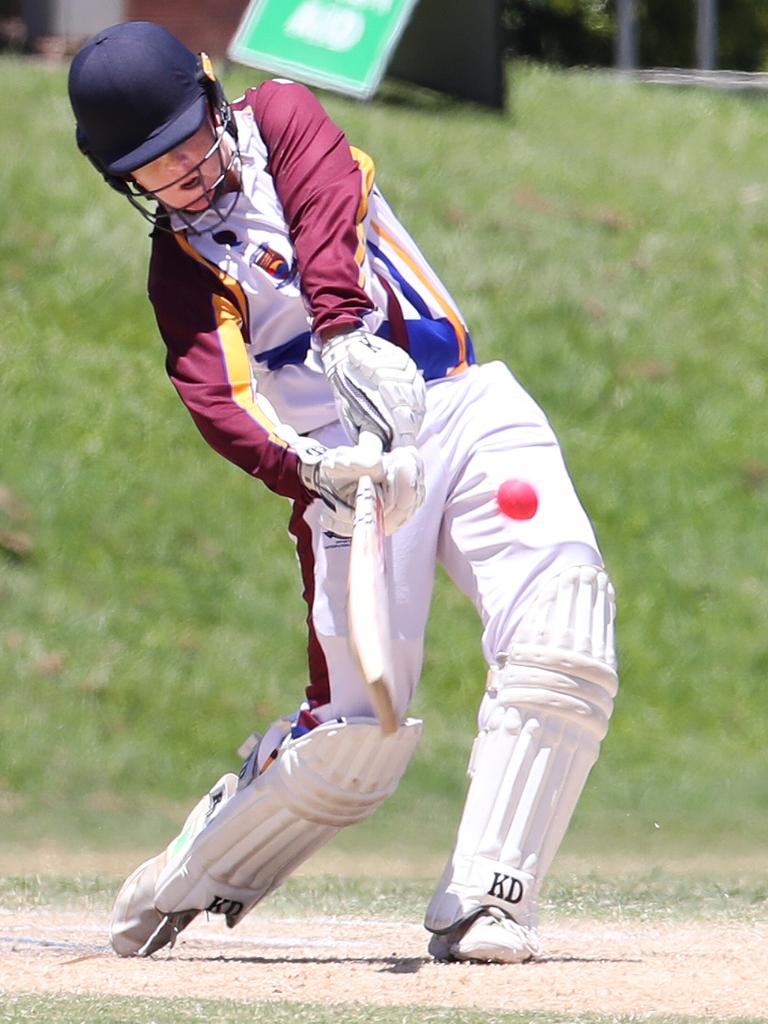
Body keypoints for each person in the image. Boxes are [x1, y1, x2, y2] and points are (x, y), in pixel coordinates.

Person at [67, 20, 618, 965]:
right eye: (153, 171)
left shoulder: (279, 115)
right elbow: (219, 401)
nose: (186, 177)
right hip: (350, 471)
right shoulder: (183, 270)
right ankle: (195, 867)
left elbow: (327, 197)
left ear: (212, 101)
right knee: (360, 741)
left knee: (562, 641)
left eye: (190, 144)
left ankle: (491, 899)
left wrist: (345, 328)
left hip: (460, 403)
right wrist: (310, 470)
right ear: (125, 183)